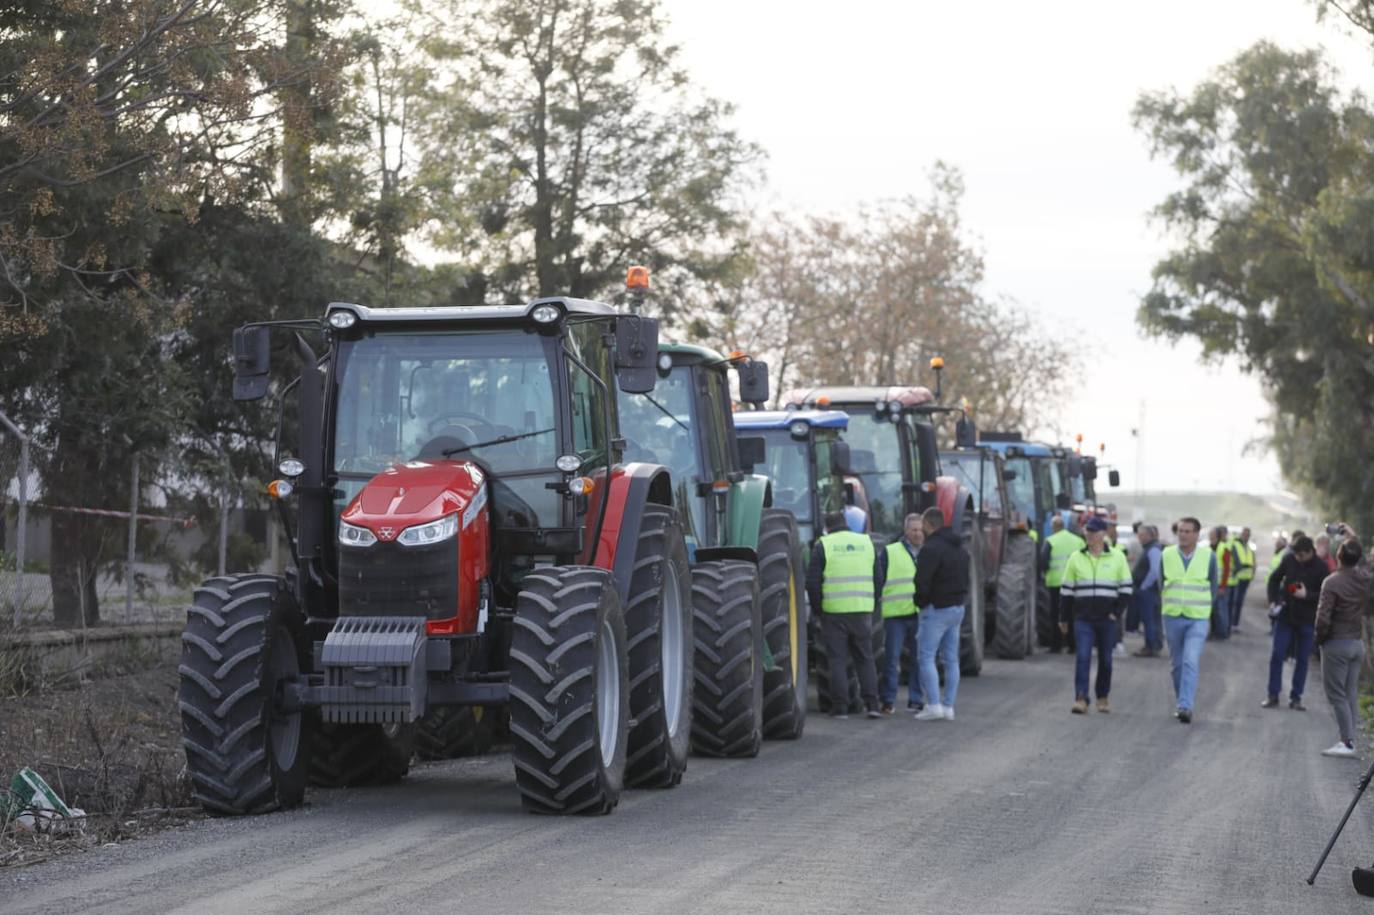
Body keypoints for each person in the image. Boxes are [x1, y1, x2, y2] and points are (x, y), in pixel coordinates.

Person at [806, 511, 882, 720]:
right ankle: (873, 705)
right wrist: (872, 603)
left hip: (834, 613)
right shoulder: (866, 542)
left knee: (837, 660)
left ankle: (840, 708)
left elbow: (812, 582)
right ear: (846, 524)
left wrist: (818, 609)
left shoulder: (824, 545)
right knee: (865, 659)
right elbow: (878, 577)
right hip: (862, 611)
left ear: (827, 527)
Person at [1061, 517, 1133, 714]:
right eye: (1087, 532)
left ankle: (1103, 697)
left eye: (1093, 532)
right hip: (1083, 619)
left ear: (1103, 534)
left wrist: (1115, 613)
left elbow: (1126, 589)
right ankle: (1081, 698)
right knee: (1083, 657)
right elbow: (1066, 591)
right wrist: (1063, 618)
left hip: (1106, 619)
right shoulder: (1076, 557)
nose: (1089, 535)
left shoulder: (1117, 557)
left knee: (1106, 660)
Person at [1316, 527, 1370, 758]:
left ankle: (1346, 742)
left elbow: (1323, 618)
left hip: (1336, 643)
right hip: (1357, 643)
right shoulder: (1365, 579)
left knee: (1336, 695)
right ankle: (1350, 739)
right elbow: (1361, 558)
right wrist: (1353, 536)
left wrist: (1319, 640)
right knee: (1350, 693)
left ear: (1338, 555)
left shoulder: (1332, 582)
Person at [913, 507, 970, 722]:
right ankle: (948, 707)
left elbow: (922, 581)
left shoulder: (930, 549)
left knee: (926, 657)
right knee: (951, 659)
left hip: (936, 610)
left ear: (928, 525)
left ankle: (934, 704)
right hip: (957, 608)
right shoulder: (960, 549)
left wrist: (920, 602)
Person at [1263, 534, 1330, 711]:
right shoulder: (1289, 560)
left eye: (1300, 555)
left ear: (1310, 552)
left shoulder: (1322, 568)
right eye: (1295, 554)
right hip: (1286, 614)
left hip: (1307, 619)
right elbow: (1274, 579)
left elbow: (1326, 596)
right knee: (1277, 654)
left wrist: (1307, 595)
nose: (1297, 558)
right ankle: (1273, 695)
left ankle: (1296, 697)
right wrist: (1273, 600)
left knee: (1302, 659)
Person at [1161, 517, 1216, 723]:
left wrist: (1206, 611)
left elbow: (1213, 585)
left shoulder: (1208, 557)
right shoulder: (1166, 555)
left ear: (1196, 534)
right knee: (1177, 665)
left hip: (1198, 617)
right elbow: (1161, 583)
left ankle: (1185, 706)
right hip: (1173, 615)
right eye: (1180, 531)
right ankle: (1181, 700)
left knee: (1190, 660)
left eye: (1187, 531)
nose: (1182, 535)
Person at [876, 513, 924, 715]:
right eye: (914, 530)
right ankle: (888, 700)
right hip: (895, 615)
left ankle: (916, 700)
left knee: (919, 660)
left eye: (920, 529)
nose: (918, 534)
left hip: (918, 614)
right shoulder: (890, 552)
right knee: (892, 659)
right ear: (906, 531)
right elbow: (879, 579)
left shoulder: (928, 551)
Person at [1042, 515, 1085, 654]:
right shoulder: (1078, 541)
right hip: (1075, 583)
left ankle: (1056, 645)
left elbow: (1043, 561)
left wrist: (1044, 574)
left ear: (1053, 527)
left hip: (1056, 584)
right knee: (1073, 614)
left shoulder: (1050, 541)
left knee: (1057, 615)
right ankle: (1073, 645)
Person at [1133, 524, 1164, 657]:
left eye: (1142, 535)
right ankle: (1154, 645)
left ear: (1149, 535)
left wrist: (1144, 587)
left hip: (1149, 591)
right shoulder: (1150, 548)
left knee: (1149, 619)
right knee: (1153, 619)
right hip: (1150, 591)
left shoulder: (1153, 549)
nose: (1139, 538)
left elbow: (1154, 571)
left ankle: (1151, 646)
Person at [1228, 526, 1255, 632]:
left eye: (1248, 535)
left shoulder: (1248, 547)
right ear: (1241, 534)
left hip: (1246, 578)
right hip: (1238, 577)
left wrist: (1252, 572)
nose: (1246, 536)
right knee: (1234, 601)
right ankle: (1231, 623)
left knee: (1239, 602)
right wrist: (1235, 572)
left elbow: (1252, 560)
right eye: (1244, 534)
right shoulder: (1236, 544)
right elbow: (1236, 561)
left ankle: (1235, 624)